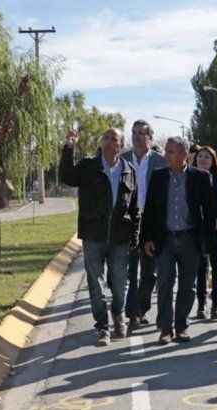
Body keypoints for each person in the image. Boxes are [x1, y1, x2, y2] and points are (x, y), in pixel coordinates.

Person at [59, 128, 140, 346]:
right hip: (94, 235)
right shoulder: (88, 166)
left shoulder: (128, 170)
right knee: (95, 282)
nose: (108, 141)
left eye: (113, 139)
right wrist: (69, 148)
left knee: (120, 282)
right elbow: (66, 176)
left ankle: (118, 313)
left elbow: (134, 208)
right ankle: (103, 327)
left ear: (120, 146)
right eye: (105, 138)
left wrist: (134, 236)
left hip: (120, 238)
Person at [140, 137, 215, 345]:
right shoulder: (158, 176)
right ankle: (165, 328)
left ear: (183, 154)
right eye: (166, 151)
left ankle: (181, 326)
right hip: (164, 239)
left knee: (188, 285)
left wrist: (208, 241)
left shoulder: (200, 177)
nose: (166, 155)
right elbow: (150, 209)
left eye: (171, 152)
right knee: (165, 282)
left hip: (189, 238)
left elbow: (209, 212)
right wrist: (146, 238)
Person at [120, 120, 166, 330]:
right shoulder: (122, 160)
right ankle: (133, 313)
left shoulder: (160, 161)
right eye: (134, 133)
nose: (137, 137)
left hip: (151, 223)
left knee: (150, 271)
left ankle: (142, 308)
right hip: (128, 221)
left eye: (141, 133)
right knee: (129, 270)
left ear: (150, 137)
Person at [193, 145, 217, 320]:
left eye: (207, 157)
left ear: (213, 160)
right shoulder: (190, 177)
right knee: (201, 267)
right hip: (199, 229)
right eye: (200, 156)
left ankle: (216, 304)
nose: (202, 159)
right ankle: (202, 304)